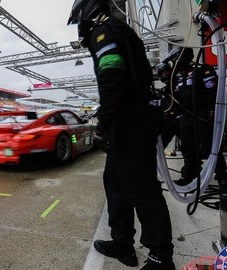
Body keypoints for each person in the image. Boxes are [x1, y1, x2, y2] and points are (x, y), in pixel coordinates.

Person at [67, 1, 175, 269]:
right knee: (116, 184)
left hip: (132, 122)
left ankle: (161, 257)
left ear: (86, 14)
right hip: (129, 121)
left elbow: (112, 76)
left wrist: (104, 121)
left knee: (142, 189)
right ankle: (122, 243)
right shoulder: (116, 29)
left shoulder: (104, 32)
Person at [167, 47, 227, 186]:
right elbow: (173, 94)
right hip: (185, 114)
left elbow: (212, 90)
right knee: (187, 147)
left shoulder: (202, 69)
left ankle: (222, 176)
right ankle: (190, 174)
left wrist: (212, 111)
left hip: (201, 113)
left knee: (208, 146)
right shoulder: (177, 74)